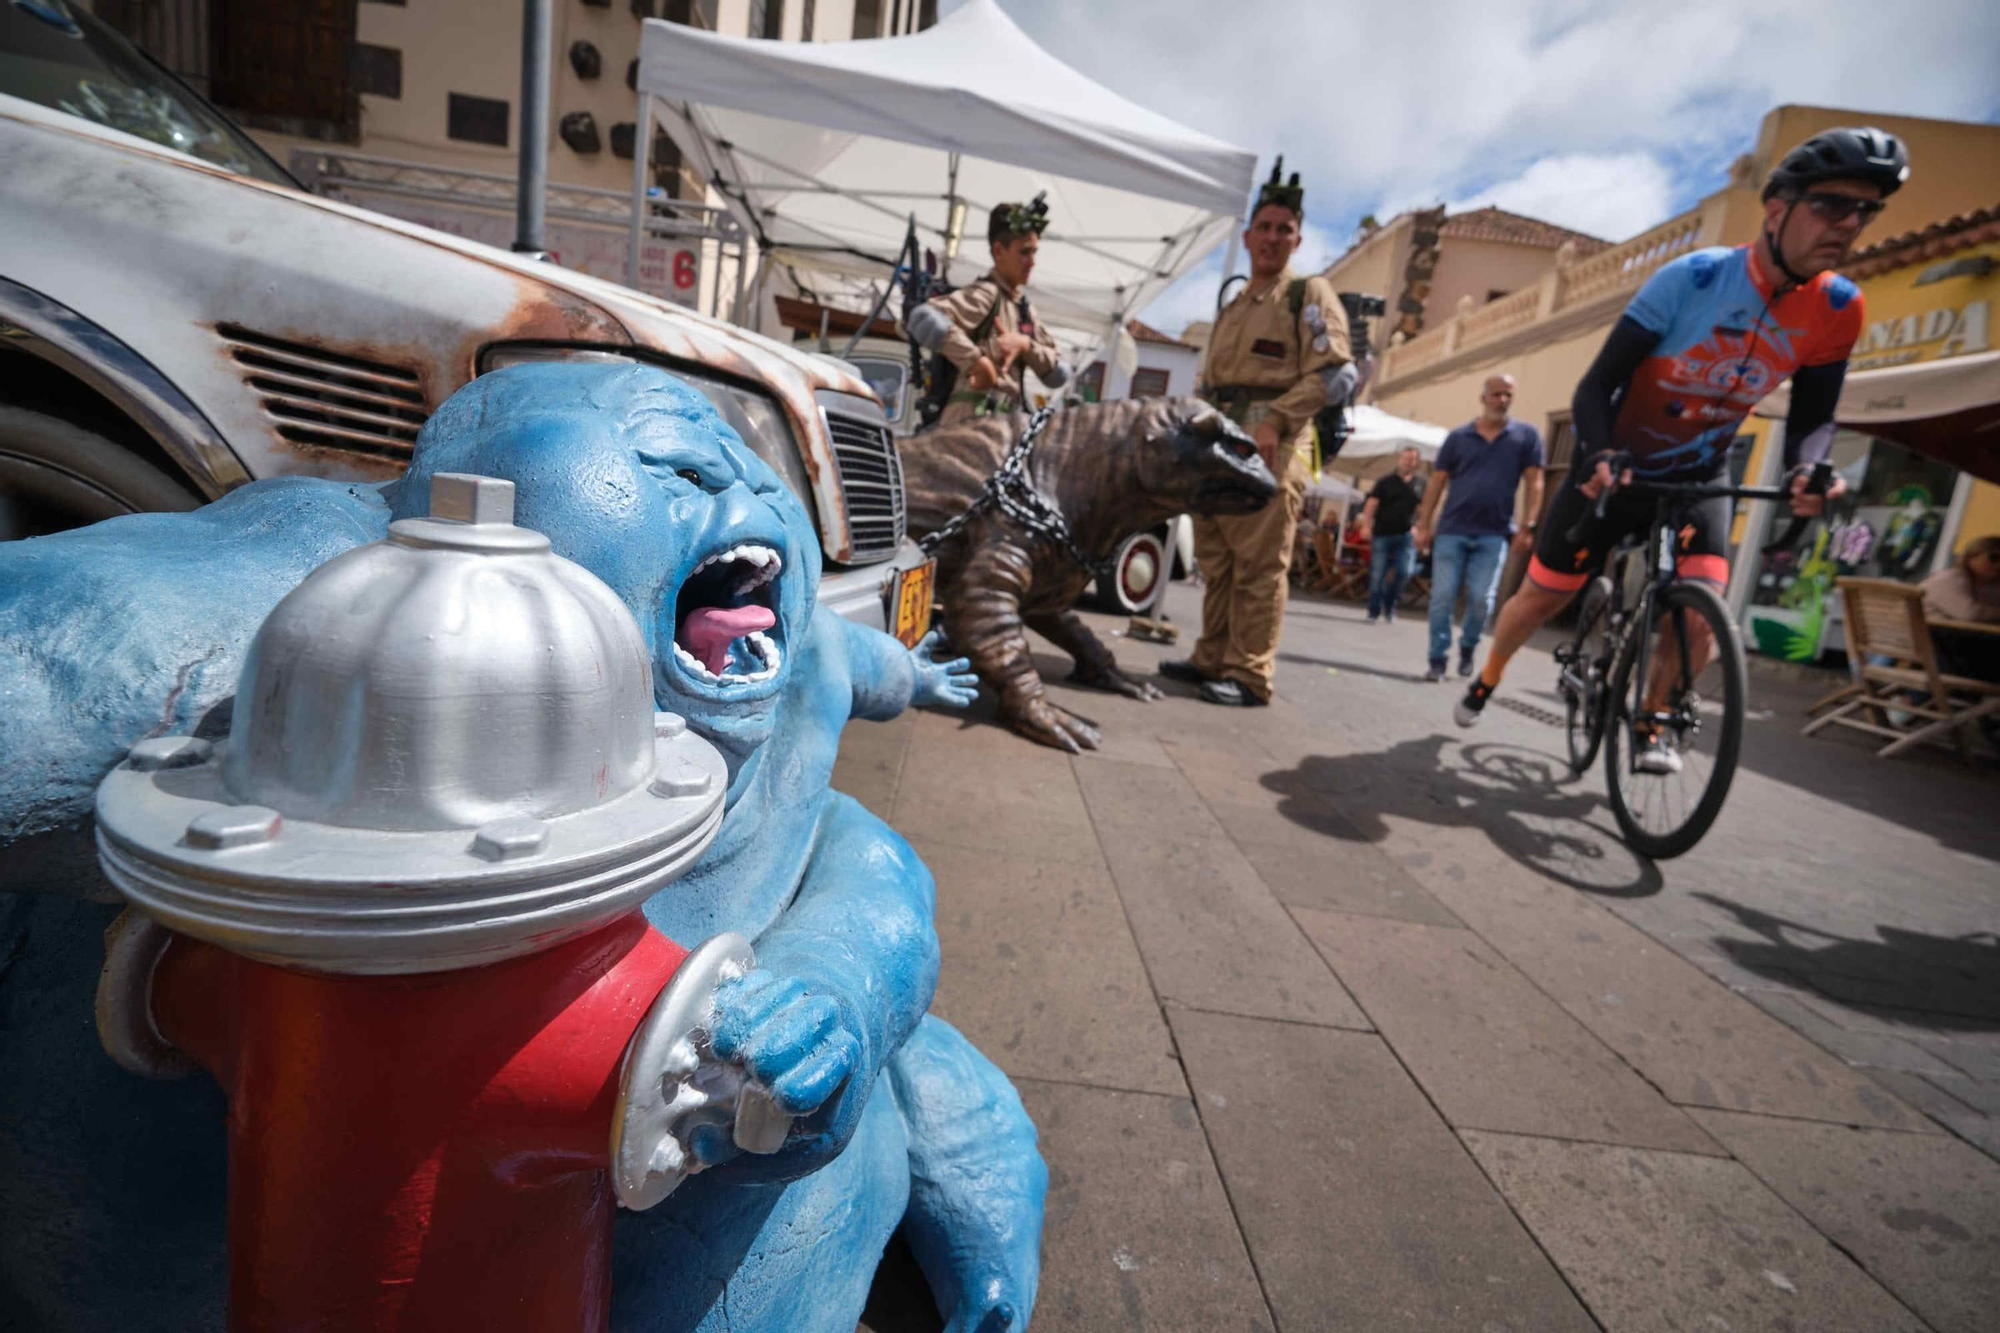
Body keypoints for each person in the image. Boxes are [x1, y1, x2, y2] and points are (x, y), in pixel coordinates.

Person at [1453, 126, 1907, 772]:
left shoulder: (1838, 307)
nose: (1850, 223)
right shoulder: (1692, 280)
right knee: (1542, 596)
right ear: (1776, 209)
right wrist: (1602, 454)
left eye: (1866, 211)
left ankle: (1653, 721)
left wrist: (1808, 469)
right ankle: (1488, 675)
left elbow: (1813, 417)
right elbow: (1595, 387)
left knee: (1700, 618)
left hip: (1700, 473)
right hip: (1618, 463)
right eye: (1832, 204)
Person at [1159, 158, 1353, 705]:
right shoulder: (1236, 301)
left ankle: (1249, 675)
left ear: (1297, 238)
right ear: (1246, 236)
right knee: (1218, 559)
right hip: (1220, 445)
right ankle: (1212, 658)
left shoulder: (1308, 294)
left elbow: (1335, 372)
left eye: (1282, 229)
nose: (1271, 238)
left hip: (1272, 444)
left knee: (1260, 566)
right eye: (1263, 227)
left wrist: (1277, 420)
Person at [1412, 375, 1544, 679]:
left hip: (1494, 533)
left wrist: (1529, 524)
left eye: (1508, 395)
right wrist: (1423, 525)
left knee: (1482, 599)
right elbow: (1437, 482)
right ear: (1483, 397)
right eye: (1496, 394)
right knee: (1442, 596)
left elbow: (1535, 481)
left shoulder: (1525, 436)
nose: (1502, 400)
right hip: (1451, 530)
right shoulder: (1458, 438)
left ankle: (1469, 646)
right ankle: (1437, 658)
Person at [908, 195, 1065, 428]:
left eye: (1034, 252)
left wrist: (1024, 344)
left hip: (1004, 428)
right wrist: (977, 362)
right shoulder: (986, 295)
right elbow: (921, 319)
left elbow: (1059, 374)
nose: (1032, 261)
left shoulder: (1023, 309)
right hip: (967, 428)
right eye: (1024, 252)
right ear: (999, 250)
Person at [1357, 445, 1424, 621]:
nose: (1409, 462)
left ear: (1417, 462)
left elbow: (1423, 509)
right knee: (1377, 574)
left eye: (1413, 459)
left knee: (1405, 572)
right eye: (1406, 458)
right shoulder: (1385, 481)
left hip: (1406, 536)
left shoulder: (1420, 484)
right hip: (1382, 534)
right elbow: (1371, 504)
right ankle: (1373, 611)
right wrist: (1366, 526)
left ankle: (1390, 605)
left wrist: (1421, 528)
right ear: (1399, 459)